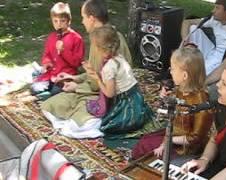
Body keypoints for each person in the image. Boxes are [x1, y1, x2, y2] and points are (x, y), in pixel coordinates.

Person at [40, 0, 131, 138]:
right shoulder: (104, 36)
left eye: (83, 17)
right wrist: (73, 78)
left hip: (109, 97)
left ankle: (96, 123)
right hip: (95, 89)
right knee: (48, 107)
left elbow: (99, 84)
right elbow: (94, 73)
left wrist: (76, 87)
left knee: (72, 126)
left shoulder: (105, 42)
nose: (82, 22)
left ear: (91, 18)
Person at [132, 47, 214, 161]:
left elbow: (195, 138)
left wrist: (168, 140)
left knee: (147, 146)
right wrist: (165, 98)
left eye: (173, 69)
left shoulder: (201, 102)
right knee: (146, 139)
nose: (170, 71)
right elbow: (168, 111)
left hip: (186, 146)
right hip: (174, 133)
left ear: (185, 76)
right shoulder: (181, 89)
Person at [84, 25, 153, 135]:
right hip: (136, 97)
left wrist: (97, 79)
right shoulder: (119, 57)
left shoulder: (109, 67)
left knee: (106, 126)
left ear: (101, 49)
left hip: (127, 104)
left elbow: (110, 94)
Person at [18, 2, 85, 102]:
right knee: (35, 87)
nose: (59, 24)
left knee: (57, 92)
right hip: (51, 75)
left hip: (65, 76)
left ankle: (37, 98)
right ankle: (36, 93)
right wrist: (46, 63)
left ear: (69, 21)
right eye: (55, 21)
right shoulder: (52, 37)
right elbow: (47, 54)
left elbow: (76, 63)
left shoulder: (76, 38)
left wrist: (64, 51)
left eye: (62, 21)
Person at [181, 0, 226, 76]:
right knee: (193, 28)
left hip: (222, 59)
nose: (213, 11)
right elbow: (187, 22)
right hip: (212, 51)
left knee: (195, 74)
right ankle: (187, 55)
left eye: (217, 8)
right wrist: (185, 40)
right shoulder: (214, 20)